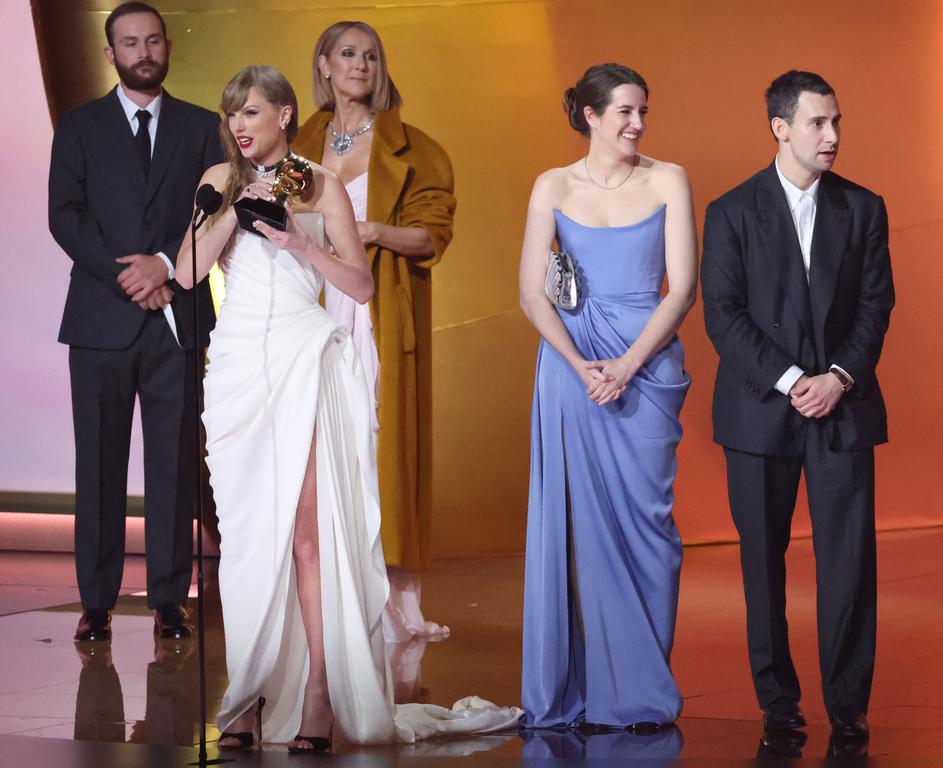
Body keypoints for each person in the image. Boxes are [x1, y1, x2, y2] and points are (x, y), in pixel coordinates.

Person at [177, 65, 519, 752]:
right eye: (231, 114)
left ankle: (318, 693)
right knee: (247, 540)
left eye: (252, 112)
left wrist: (300, 242)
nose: (240, 125)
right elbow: (186, 272)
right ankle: (247, 690)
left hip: (304, 355)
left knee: (306, 537)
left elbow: (360, 286)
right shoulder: (217, 181)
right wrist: (234, 211)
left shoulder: (321, 184)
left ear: (284, 115)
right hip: (238, 367)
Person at [700, 70, 894, 740]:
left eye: (836, 121)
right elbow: (722, 315)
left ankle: (848, 706)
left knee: (849, 564)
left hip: (843, 408)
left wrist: (837, 377)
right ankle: (777, 704)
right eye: (817, 122)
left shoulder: (863, 208)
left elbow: (876, 305)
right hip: (759, 412)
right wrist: (791, 380)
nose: (832, 135)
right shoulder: (730, 211)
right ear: (779, 128)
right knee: (761, 565)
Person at [518, 63, 697, 729]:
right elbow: (531, 293)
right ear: (590, 116)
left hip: (643, 364)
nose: (637, 123)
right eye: (624, 110)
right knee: (580, 530)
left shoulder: (667, 178)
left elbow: (681, 288)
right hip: (573, 370)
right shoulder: (553, 184)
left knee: (651, 525)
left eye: (642, 110)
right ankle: (588, 689)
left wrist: (625, 365)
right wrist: (580, 365)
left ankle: (642, 689)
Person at [48, 1, 221, 643]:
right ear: (110, 53)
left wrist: (166, 268)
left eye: (152, 41)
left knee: (175, 463)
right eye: (129, 42)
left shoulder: (203, 127)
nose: (143, 52)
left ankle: (170, 599)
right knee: (98, 463)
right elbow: (65, 215)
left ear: (168, 47)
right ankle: (96, 602)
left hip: (179, 317)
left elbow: (216, 213)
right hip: (101, 318)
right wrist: (130, 276)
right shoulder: (80, 125)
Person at [294, 21, 456, 642]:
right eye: (347, 53)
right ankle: (327, 592)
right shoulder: (299, 142)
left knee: (377, 444)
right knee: (317, 446)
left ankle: (397, 597)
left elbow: (432, 235)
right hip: (307, 307)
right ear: (324, 64)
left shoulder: (416, 148)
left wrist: (369, 232)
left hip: (376, 308)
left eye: (370, 55)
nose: (360, 64)